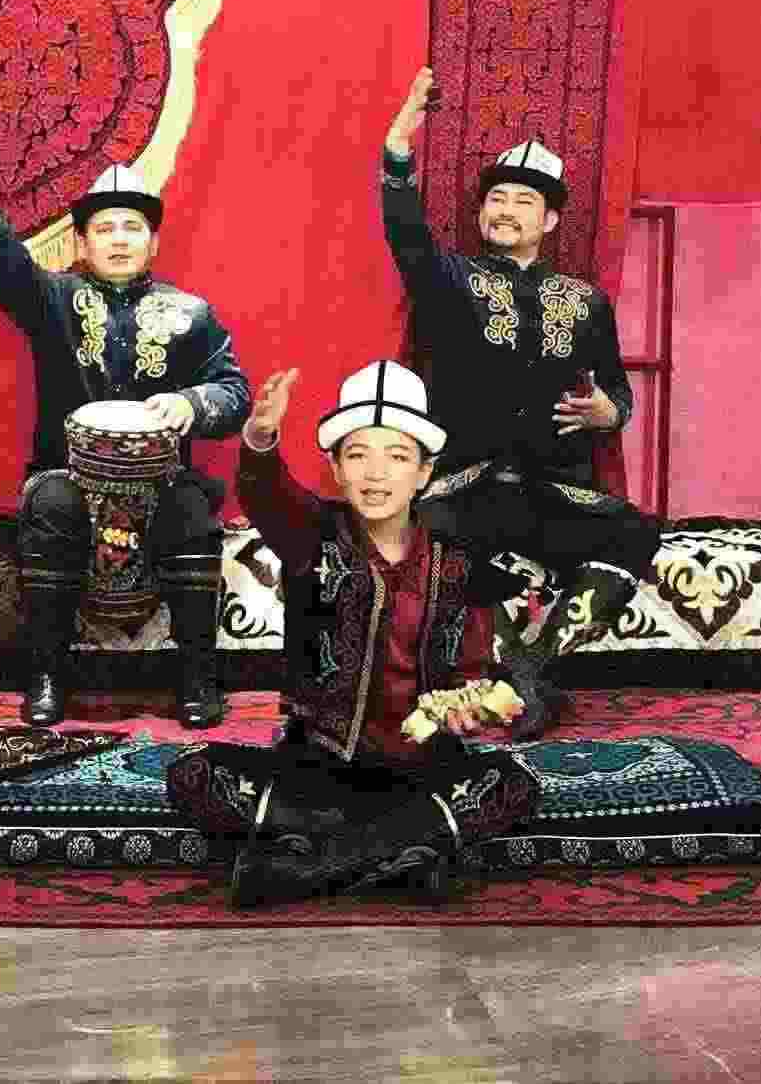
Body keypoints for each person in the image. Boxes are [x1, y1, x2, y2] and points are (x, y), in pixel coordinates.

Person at [164, 361, 543, 908]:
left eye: (398, 457)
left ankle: (306, 867)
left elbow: (472, 674)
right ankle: (400, 863)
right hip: (317, 770)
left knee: (513, 784)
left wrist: (469, 709)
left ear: (424, 472)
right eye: (358, 454)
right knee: (194, 773)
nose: (376, 472)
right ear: (337, 469)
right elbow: (265, 491)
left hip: (423, 770)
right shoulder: (310, 534)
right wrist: (262, 436)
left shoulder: (459, 563)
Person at [0, 97, 250, 729]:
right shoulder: (52, 299)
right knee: (49, 503)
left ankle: (197, 676)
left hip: (161, 481)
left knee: (191, 507)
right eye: (104, 228)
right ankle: (46, 674)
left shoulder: (193, 314)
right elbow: (0, 256)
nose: (119, 239)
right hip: (67, 477)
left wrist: (191, 403)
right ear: (81, 241)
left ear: (153, 241)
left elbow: (234, 392)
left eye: (132, 227)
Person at [379, 67, 658, 732]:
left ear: (550, 219)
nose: (504, 210)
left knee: (634, 532)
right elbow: (405, 230)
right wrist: (398, 145)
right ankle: (522, 681)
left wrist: (609, 412)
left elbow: (616, 389)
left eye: (523, 201)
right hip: (465, 485)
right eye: (496, 199)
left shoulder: (585, 300)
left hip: (551, 487)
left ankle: (527, 668)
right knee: (441, 540)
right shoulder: (450, 278)